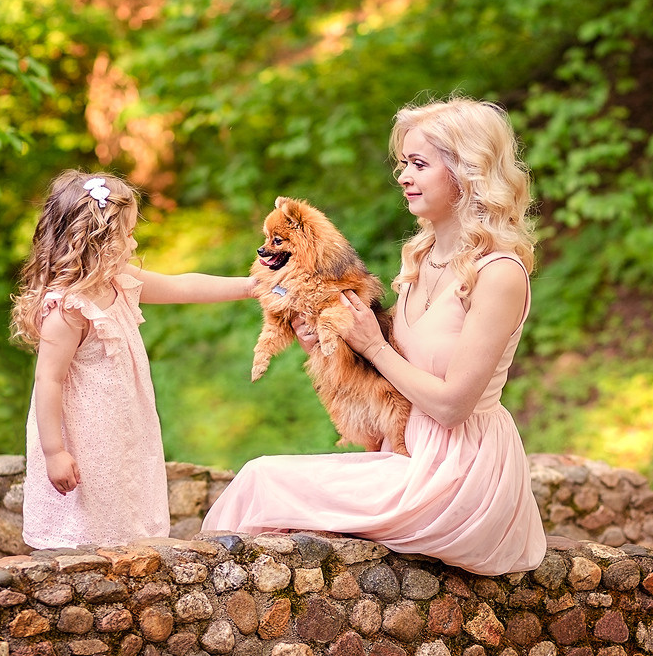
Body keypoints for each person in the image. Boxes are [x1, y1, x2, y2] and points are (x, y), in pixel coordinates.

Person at [202, 96, 547, 574]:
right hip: (403, 452)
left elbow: (451, 406)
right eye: (404, 163)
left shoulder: (499, 274)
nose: (403, 176)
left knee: (263, 482)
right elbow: (377, 411)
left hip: (462, 475)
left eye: (419, 164)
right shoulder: (419, 261)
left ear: (468, 171)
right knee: (261, 485)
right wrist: (327, 350)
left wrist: (373, 346)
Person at [11, 171, 253, 549]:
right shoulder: (68, 312)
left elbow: (180, 286)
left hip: (124, 432)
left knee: (127, 514)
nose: (134, 240)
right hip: (86, 439)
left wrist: (250, 286)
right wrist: (54, 452)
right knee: (90, 527)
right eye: (127, 233)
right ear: (98, 241)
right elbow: (48, 381)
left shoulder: (118, 283)